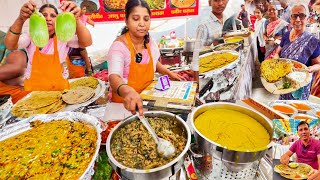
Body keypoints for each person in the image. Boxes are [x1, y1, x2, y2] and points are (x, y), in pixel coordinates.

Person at [107, 0, 185, 116]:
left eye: (146, 19)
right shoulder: (119, 46)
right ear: (126, 21)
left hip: (146, 100)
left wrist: (169, 73)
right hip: (124, 105)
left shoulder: (149, 41)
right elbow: (114, 77)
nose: (142, 24)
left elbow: (153, 62)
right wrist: (128, 92)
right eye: (136, 18)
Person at [4, 1, 92, 91]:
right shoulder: (30, 36)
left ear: (58, 20)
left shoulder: (63, 37)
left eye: (53, 16)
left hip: (59, 87)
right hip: (34, 89)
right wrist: (21, 19)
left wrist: (76, 19)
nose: (48, 18)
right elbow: (10, 45)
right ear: (37, 18)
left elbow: (86, 42)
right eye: (44, 15)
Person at [273, 4, 320, 100]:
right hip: (284, 82)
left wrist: (311, 69)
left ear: (307, 18)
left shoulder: (312, 41)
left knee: (297, 112)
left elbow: (318, 64)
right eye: (294, 16)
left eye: (302, 16)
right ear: (290, 18)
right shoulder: (286, 35)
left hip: (299, 85)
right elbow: (277, 52)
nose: (298, 20)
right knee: (282, 109)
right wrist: (276, 60)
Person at [67, 4, 95, 78]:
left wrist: (89, 72)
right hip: (72, 73)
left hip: (80, 72)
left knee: (84, 54)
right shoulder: (65, 43)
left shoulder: (83, 18)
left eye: (85, 9)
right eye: (83, 9)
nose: (84, 11)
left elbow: (85, 57)